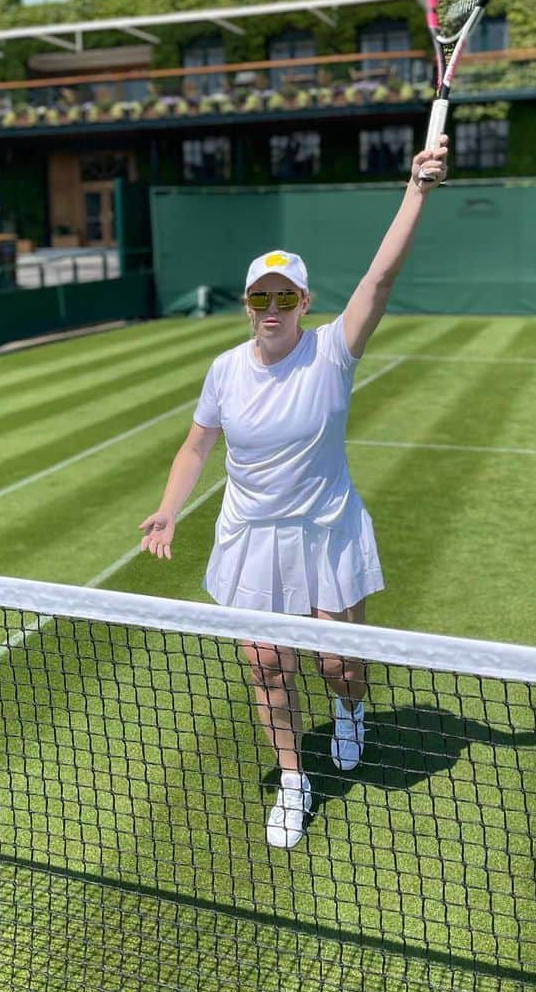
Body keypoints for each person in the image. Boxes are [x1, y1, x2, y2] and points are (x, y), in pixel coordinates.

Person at [138, 135, 448, 848]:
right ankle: (293, 779)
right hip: (252, 540)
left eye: (284, 297)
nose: (270, 308)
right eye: (259, 297)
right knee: (265, 665)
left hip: (326, 531)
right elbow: (196, 446)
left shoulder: (333, 352)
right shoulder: (224, 370)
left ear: (304, 302)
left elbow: (377, 281)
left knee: (340, 664)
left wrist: (417, 191)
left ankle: (349, 712)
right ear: (248, 303)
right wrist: (168, 508)